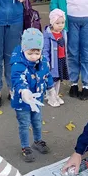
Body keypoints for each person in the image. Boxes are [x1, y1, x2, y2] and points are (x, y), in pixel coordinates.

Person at [10, 28, 57, 162]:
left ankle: (37, 141)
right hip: (22, 101)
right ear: (24, 49)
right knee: (24, 124)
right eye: (30, 53)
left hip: (37, 99)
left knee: (37, 121)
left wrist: (50, 88)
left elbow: (47, 74)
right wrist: (24, 91)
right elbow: (17, 79)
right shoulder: (18, 64)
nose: (34, 56)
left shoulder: (42, 62)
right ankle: (25, 146)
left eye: (37, 53)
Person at [43, 8, 69, 107]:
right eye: (58, 23)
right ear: (52, 23)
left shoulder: (63, 33)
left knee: (58, 79)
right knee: (52, 79)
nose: (61, 25)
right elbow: (45, 49)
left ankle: (56, 94)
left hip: (61, 60)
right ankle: (50, 96)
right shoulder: (48, 34)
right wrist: (47, 61)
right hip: (52, 62)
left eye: (62, 22)